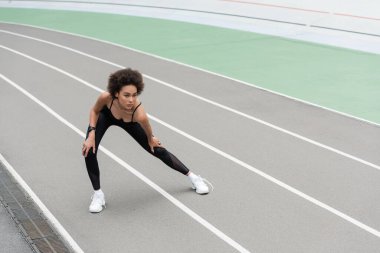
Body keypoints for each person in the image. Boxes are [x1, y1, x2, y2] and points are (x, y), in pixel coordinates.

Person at [82, 68, 210, 213]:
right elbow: (95, 111)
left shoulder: (139, 112)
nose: (131, 100)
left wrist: (151, 139)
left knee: (157, 149)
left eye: (134, 95)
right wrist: (91, 133)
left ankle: (194, 178)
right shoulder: (106, 97)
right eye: (126, 95)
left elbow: (147, 128)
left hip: (129, 120)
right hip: (105, 117)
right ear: (116, 93)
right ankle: (98, 195)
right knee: (89, 150)